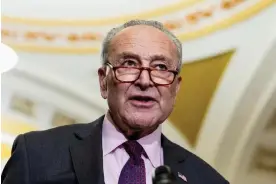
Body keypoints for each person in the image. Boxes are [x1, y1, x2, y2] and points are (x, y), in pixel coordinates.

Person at [1, 20, 229, 184]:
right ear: (103, 81)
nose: (144, 80)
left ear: (175, 88)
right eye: (129, 64)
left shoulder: (207, 179)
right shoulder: (37, 155)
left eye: (160, 67)